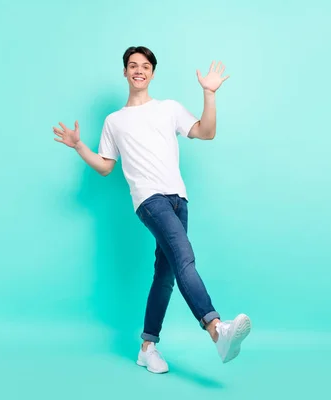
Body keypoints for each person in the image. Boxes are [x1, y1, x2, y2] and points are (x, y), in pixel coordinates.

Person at [53, 46, 251, 374]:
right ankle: (217, 330)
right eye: (132, 65)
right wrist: (79, 145)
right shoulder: (114, 121)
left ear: (153, 73)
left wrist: (209, 94)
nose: (139, 70)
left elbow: (206, 131)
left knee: (166, 274)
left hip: (178, 200)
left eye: (145, 66)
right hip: (149, 200)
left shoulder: (168, 108)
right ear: (125, 72)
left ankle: (147, 347)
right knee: (184, 258)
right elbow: (105, 166)